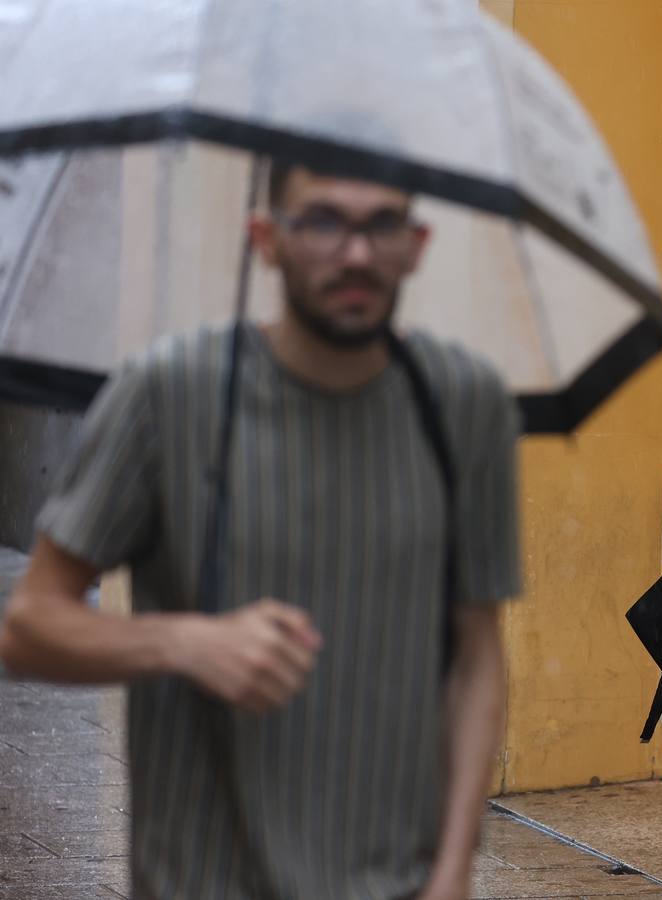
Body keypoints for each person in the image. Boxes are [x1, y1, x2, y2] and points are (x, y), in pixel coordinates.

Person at [0, 162, 520, 899]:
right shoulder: (168, 393)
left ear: (417, 244)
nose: (357, 253)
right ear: (266, 238)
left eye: (382, 224)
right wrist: (183, 642)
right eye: (324, 220)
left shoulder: (464, 405)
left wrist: (453, 872)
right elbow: (28, 626)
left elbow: (477, 655)